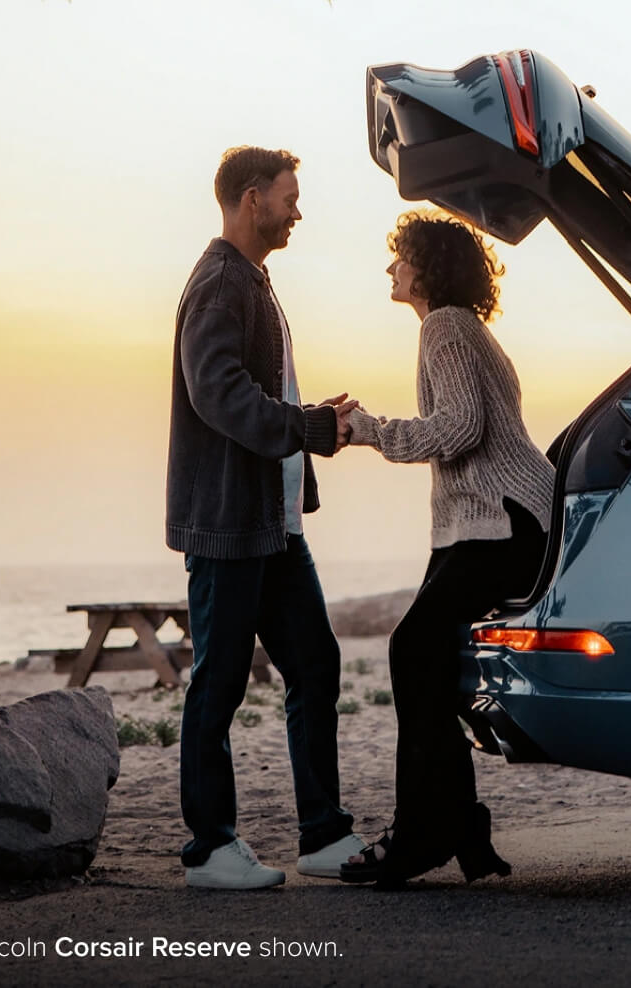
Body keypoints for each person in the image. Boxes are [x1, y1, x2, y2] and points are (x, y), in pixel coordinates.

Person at [165, 146, 366, 889]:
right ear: (252, 200)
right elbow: (217, 394)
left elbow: (258, 393)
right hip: (229, 525)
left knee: (316, 664)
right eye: (289, 197)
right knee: (218, 683)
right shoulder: (221, 284)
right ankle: (209, 850)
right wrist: (307, 428)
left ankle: (323, 836)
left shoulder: (252, 281)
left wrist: (312, 424)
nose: (297, 210)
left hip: (275, 526)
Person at [340, 209, 553, 889]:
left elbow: (460, 430)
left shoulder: (446, 326)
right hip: (493, 519)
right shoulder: (462, 328)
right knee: (429, 658)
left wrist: (370, 430)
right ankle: (450, 822)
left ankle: (428, 831)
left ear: (426, 267)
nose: (390, 268)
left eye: (400, 256)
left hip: (506, 519)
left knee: (412, 651)